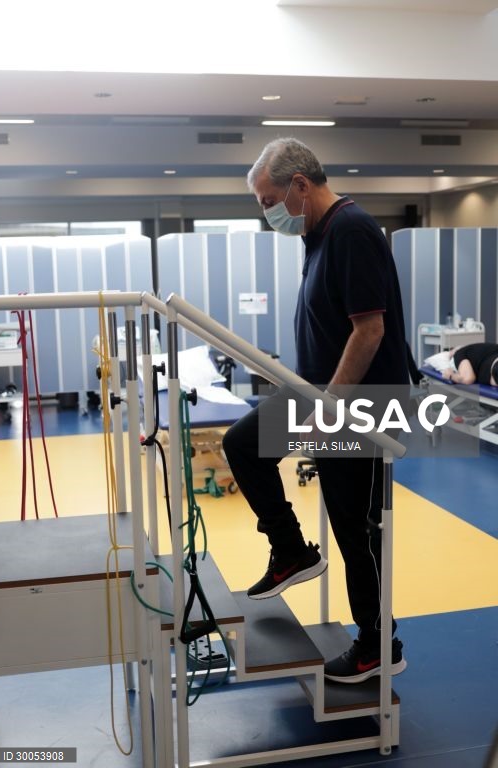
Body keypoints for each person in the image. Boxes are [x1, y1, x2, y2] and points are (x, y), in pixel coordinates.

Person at [222, 137, 409, 684]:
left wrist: (331, 406)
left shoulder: (351, 230)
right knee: (242, 444)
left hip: (361, 407)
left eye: (267, 201)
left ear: (299, 186)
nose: (267, 213)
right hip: (322, 396)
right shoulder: (318, 233)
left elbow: (370, 329)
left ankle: (378, 645)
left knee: (356, 529)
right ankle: (292, 549)